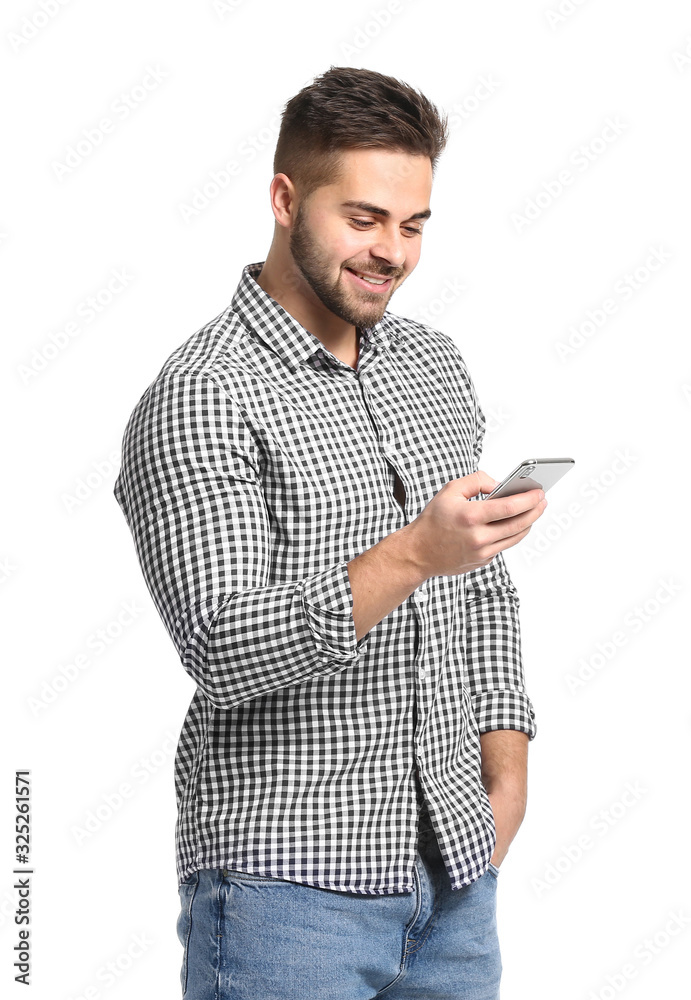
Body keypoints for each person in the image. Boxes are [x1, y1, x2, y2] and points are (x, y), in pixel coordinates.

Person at [113, 65, 547, 1000]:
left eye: (413, 224)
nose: (391, 251)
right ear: (284, 200)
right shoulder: (200, 396)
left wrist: (506, 774)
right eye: (363, 219)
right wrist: (412, 553)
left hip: (455, 882)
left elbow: (481, 589)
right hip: (284, 896)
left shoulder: (431, 364)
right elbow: (222, 645)